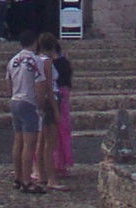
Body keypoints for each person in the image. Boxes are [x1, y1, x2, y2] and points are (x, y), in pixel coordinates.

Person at [7, 29, 47, 195]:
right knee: (30, 144)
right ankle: (26, 180)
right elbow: (39, 85)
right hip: (29, 101)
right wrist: (41, 106)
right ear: (35, 42)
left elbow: (9, 83)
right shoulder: (36, 61)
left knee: (18, 140)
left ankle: (17, 177)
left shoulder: (13, 60)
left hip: (15, 100)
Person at [33, 33, 68, 191]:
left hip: (39, 101)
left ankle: (41, 173)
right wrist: (56, 109)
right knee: (50, 143)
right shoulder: (46, 62)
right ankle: (52, 179)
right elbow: (48, 86)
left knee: (41, 141)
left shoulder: (36, 60)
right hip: (50, 100)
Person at [52, 38, 74, 178]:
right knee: (63, 130)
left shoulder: (48, 63)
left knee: (52, 131)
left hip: (55, 95)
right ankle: (63, 162)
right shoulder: (64, 61)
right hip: (64, 94)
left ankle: (54, 163)